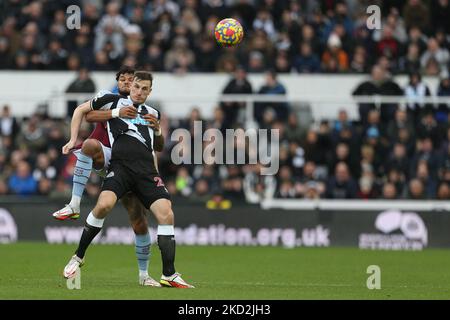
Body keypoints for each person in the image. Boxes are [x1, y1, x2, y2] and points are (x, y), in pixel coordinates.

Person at [62, 71, 194, 288]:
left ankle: (168, 274)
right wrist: (116, 113)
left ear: (150, 91)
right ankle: (78, 256)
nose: (139, 92)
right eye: (136, 87)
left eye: (144, 89)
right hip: (120, 166)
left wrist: (158, 130)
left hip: (146, 172)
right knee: (103, 205)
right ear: (131, 86)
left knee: (165, 214)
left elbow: (158, 146)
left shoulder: (154, 112)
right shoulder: (115, 101)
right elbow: (88, 115)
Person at [56, 66, 160, 287]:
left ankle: (144, 275)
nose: (127, 83)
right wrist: (72, 139)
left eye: (131, 80)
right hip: (110, 159)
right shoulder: (111, 99)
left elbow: (151, 147)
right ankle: (74, 205)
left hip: (134, 167)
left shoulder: (148, 112)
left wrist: (154, 175)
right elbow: (85, 113)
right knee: (90, 146)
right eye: (123, 80)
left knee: (139, 219)